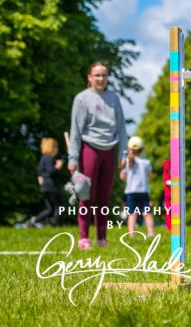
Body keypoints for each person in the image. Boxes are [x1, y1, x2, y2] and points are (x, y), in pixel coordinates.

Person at [68, 60, 128, 250]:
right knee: (87, 194)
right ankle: (84, 238)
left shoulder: (114, 98)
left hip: (109, 150)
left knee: (104, 197)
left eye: (104, 75)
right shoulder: (82, 99)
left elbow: (121, 128)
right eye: (97, 75)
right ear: (90, 77)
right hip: (90, 149)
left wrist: (123, 153)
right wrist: (73, 157)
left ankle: (102, 237)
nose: (101, 79)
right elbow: (75, 130)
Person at [119, 136, 155, 237]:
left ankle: (131, 234)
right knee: (146, 213)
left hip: (131, 192)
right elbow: (150, 176)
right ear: (142, 149)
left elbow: (122, 177)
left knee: (132, 214)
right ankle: (151, 233)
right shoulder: (146, 162)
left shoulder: (126, 162)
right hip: (143, 191)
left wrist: (122, 167)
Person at [27, 138, 64, 227]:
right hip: (52, 185)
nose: (57, 149)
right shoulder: (49, 158)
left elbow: (39, 172)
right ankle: (58, 226)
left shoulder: (43, 159)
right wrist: (58, 166)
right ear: (52, 147)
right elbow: (51, 171)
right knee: (59, 207)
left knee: (50, 209)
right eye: (56, 146)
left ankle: (34, 221)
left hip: (44, 186)